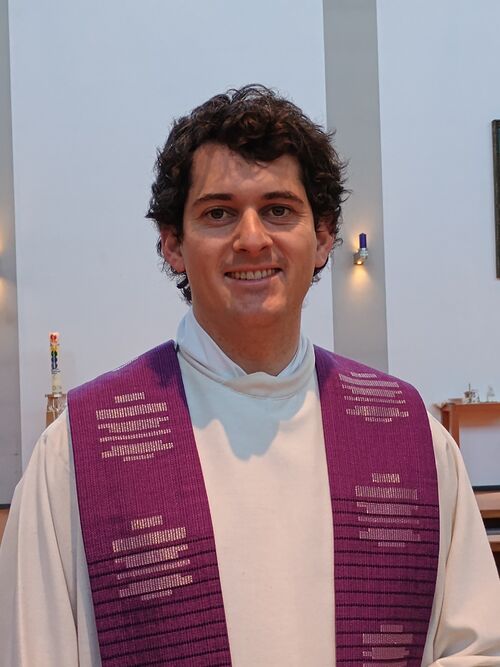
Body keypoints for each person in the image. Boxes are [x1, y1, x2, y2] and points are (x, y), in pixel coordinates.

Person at [1, 85, 499, 666]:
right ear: (172, 244)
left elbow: (478, 648)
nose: (252, 238)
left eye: (279, 209)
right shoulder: (74, 454)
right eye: (218, 213)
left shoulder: (411, 437)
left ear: (323, 237)